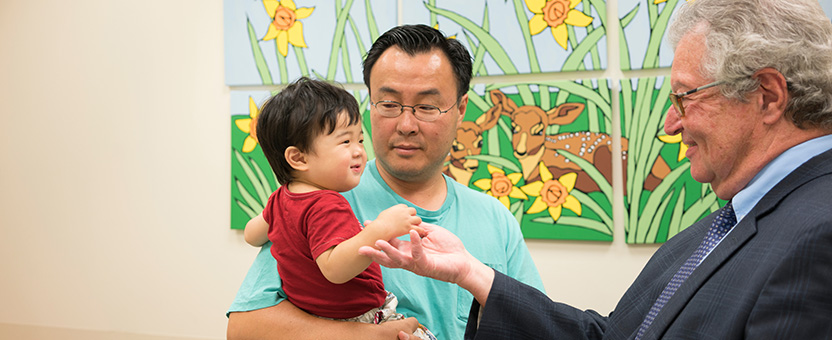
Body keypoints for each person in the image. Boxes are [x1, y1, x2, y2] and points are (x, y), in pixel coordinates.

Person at [359, 0, 832, 339]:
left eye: (685, 96)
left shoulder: (817, 235)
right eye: (389, 103)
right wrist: (470, 273)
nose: (669, 123)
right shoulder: (717, 227)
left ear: (767, 96)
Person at [227, 24, 546, 340]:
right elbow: (244, 329)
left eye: (427, 106)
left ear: (460, 109)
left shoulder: (495, 218)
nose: (406, 124)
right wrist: (368, 335)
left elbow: (539, 326)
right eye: (390, 104)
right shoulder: (323, 197)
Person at [241, 77, 435, 339]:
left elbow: (252, 234)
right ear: (298, 158)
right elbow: (335, 269)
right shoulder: (327, 204)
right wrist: (381, 229)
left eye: (360, 140)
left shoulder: (280, 199)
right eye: (346, 142)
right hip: (361, 319)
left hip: (313, 318)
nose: (359, 152)